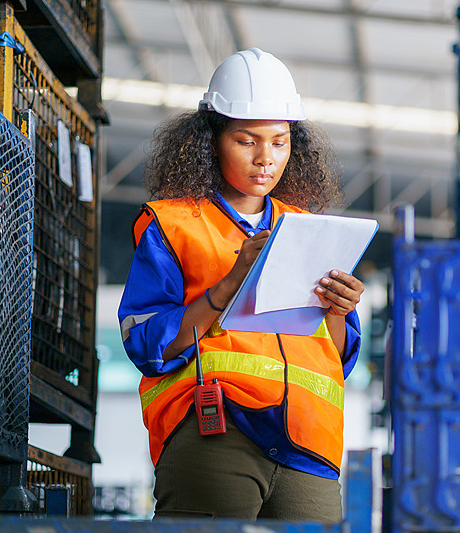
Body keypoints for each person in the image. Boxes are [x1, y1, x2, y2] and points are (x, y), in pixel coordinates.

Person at [118, 48, 365, 521]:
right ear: (212, 142)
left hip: (309, 442)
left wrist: (337, 309)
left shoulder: (308, 229)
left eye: (279, 141)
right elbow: (147, 344)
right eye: (246, 141)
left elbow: (338, 358)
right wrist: (231, 282)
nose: (265, 159)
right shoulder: (173, 226)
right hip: (216, 431)